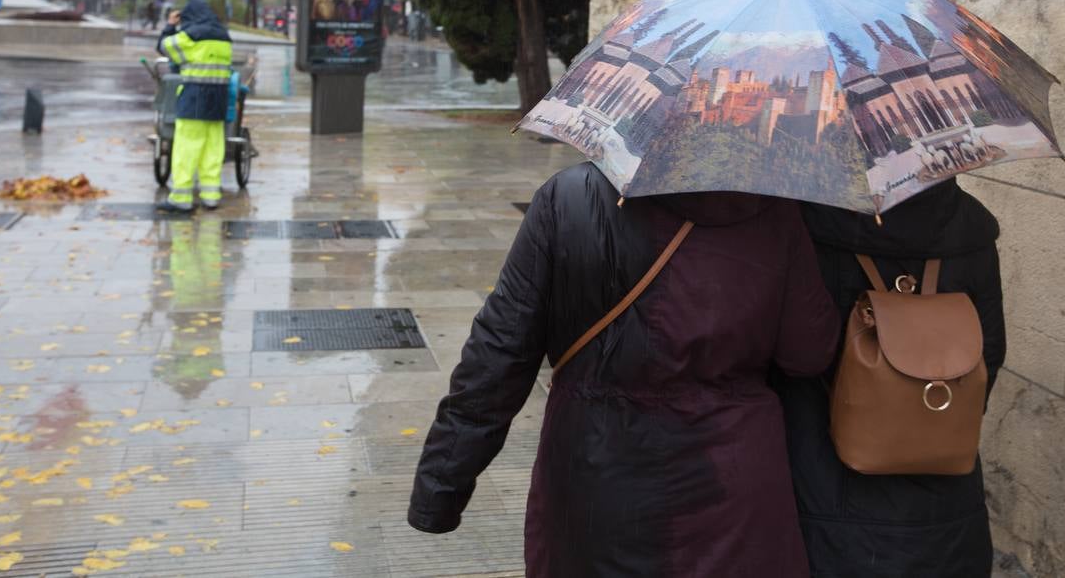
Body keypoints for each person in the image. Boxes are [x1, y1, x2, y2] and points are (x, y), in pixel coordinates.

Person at [408, 162, 839, 577]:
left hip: (596, 471)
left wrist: (442, 483)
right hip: (730, 483)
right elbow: (808, 354)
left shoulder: (570, 196)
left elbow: (500, 350)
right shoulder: (776, 210)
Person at [774, 178, 1006, 578]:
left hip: (827, 494)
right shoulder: (970, 230)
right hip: (946, 508)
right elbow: (989, 355)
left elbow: (800, 354)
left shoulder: (802, 222)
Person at [156, 0, 233, 212]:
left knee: (186, 148)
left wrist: (171, 25)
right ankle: (211, 195)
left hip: (194, 98)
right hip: (218, 100)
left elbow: (164, 47)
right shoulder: (224, 37)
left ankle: (181, 197)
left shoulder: (191, 36)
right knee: (213, 148)